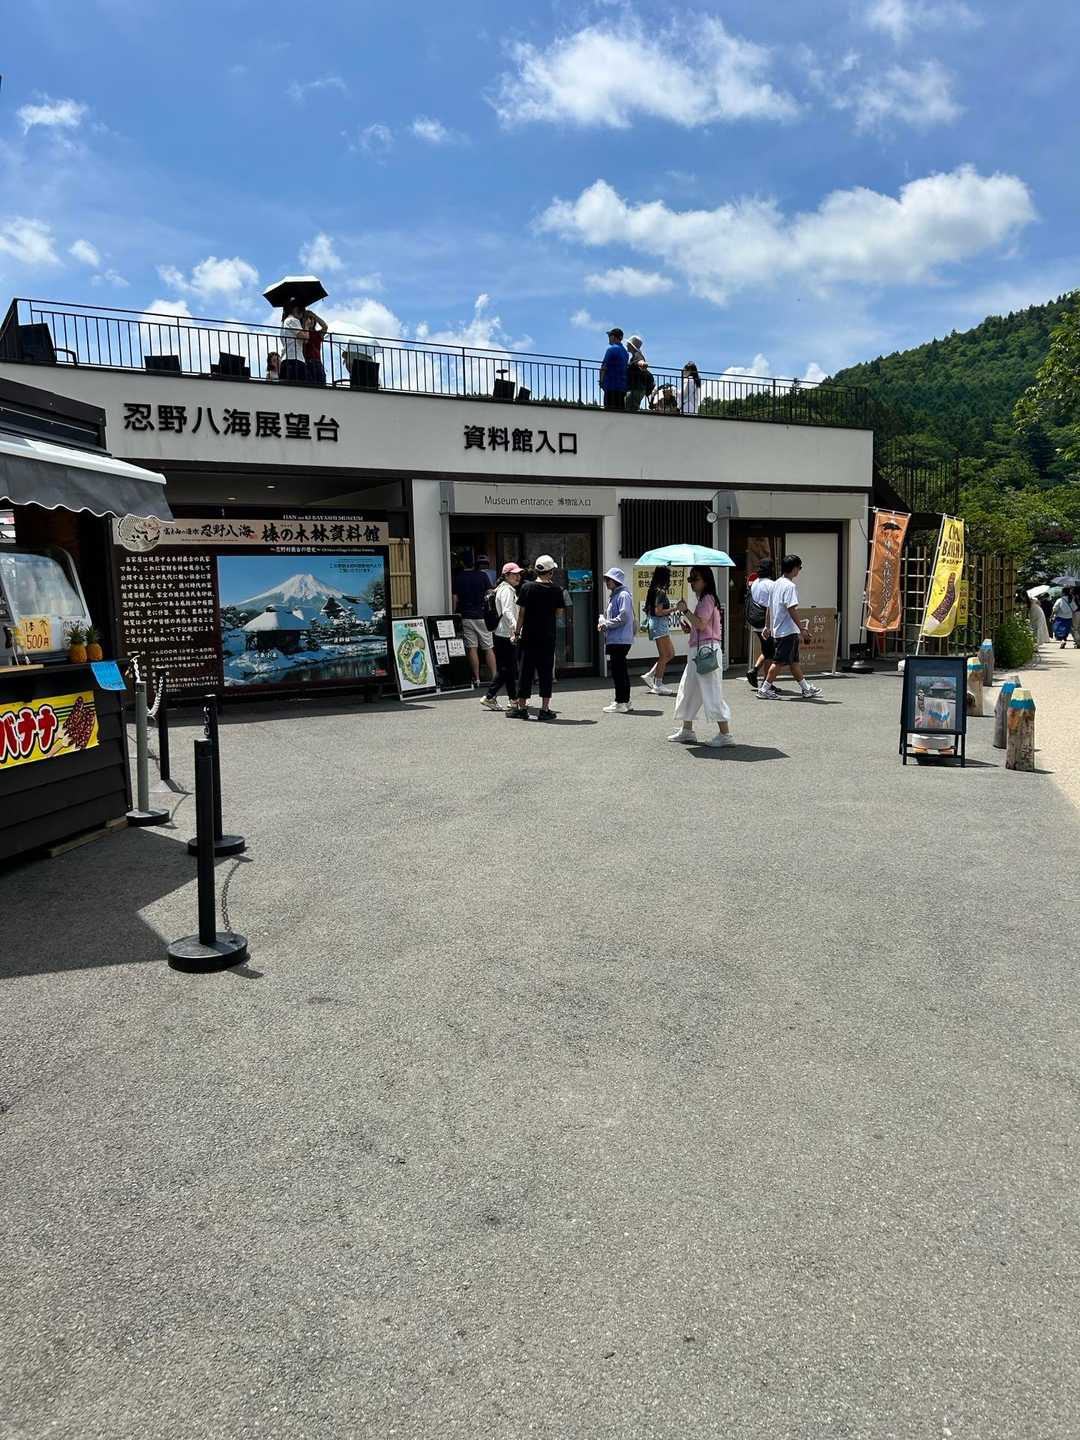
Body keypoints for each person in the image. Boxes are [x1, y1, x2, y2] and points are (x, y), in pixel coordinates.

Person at [668, 567, 734, 747]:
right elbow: (701, 626)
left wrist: (685, 611)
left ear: (705, 580)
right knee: (688, 689)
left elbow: (702, 624)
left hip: (705, 650)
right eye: (690, 579)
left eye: (694, 579)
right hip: (702, 650)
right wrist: (690, 627)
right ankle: (687, 730)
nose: (691, 582)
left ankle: (725, 734)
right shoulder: (706, 599)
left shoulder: (707, 599)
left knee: (711, 691)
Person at [757, 554, 822, 700]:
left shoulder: (775, 584)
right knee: (778, 662)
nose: (799, 570)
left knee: (794, 662)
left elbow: (769, 607)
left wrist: (767, 626)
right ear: (794, 569)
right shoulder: (790, 586)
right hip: (787, 631)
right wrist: (802, 629)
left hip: (780, 630)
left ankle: (806, 689)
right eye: (799, 567)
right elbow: (791, 608)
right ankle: (764, 689)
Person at [513, 554, 565, 721]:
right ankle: (544, 709)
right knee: (545, 672)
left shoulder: (527, 588)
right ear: (550, 572)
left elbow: (521, 613)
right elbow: (559, 613)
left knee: (525, 672)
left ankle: (522, 708)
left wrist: (517, 632)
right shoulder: (557, 590)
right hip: (547, 637)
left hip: (528, 636)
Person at [482, 562, 523, 713]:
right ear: (506, 575)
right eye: (514, 574)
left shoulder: (502, 588)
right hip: (506, 633)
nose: (518, 577)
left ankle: (513, 700)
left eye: (519, 574)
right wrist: (516, 628)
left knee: (508, 668)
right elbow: (507, 611)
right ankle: (490, 696)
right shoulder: (506, 590)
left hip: (501, 633)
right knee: (507, 669)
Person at [452, 553, 497, 688]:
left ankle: (477, 678)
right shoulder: (482, 576)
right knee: (488, 647)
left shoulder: (458, 577)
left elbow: (455, 598)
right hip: (482, 616)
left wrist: (454, 613)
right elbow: (490, 593)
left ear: (462, 563)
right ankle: (494, 677)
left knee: (472, 648)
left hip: (466, 616)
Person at [597, 566, 635, 712]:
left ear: (616, 581)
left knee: (618, 671)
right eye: (606, 579)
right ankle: (625, 701)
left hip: (619, 639)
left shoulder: (622, 595)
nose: (607, 582)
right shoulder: (618, 595)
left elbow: (623, 617)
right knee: (621, 670)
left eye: (609, 579)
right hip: (619, 639)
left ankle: (620, 702)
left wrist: (606, 624)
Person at [642, 565, 676, 694]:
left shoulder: (653, 590)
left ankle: (651, 674)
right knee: (665, 655)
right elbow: (658, 612)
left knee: (670, 654)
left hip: (657, 624)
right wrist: (674, 609)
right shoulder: (660, 592)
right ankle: (658, 684)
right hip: (659, 624)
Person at [744, 558, 775, 689]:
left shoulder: (755, 582)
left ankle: (755, 670)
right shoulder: (771, 585)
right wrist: (768, 626)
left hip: (755, 622)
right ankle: (766, 683)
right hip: (766, 624)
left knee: (766, 650)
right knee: (770, 654)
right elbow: (770, 607)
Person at [279, 301, 310, 384]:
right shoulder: (293, 320)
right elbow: (305, 338)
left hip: (287, 359)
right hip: (295, 359)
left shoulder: (284, 323)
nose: (302, 315)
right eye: (302, 311)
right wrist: (307, 326)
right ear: (296, 309)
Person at [599, 328, 629, 411]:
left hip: (610, 386)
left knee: (609, 412)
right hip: (622, 387)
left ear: (613, 337)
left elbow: (604, 367)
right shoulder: (626, 352)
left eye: (609, 336)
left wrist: (601, 382)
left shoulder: (611, 349)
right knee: (619, 413)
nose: (608, 338)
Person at [625, 336, 653, 411]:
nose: (626, 345)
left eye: (628, 344)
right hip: (638, 389)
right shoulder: (636, 355)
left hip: (635, 389)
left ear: (631, 346)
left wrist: (643, 364)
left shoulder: (637, 355)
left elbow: (640, 361)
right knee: (632, 410)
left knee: (630, 411)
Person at [303, 308, 329, 385]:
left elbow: (325, 326)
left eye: (312, 319)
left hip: (317, 362)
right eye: (308, 318)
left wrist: (314, 316)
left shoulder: (318, 334)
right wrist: (306, 326)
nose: (310, 321)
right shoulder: (303, 333)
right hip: (307, 362)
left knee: (322, 384)